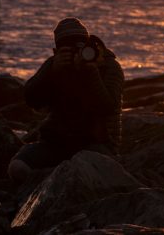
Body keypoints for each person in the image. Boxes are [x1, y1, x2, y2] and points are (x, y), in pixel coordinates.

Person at [7, 17, 124, 181]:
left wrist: (90, 73)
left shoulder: (107, 66)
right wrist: (53, 71)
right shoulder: (55, 65)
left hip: (98, 142)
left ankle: (55, 177)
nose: (76, 53)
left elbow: (107, 107)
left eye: (80, 47)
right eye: (68, 49)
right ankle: (57, 177)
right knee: (16, 167)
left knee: (91, 170)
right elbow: (31, 99)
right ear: (57, 50)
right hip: (58, 142)